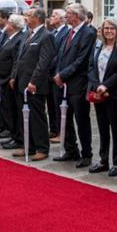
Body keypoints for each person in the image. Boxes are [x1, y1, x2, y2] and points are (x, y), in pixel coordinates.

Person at [53, 3, 98, 168]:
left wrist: (62, 75)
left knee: (81, 120)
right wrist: (58, 73)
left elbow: (82, 60)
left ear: (77, 16)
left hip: (78, 84)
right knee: (64, 119)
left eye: (69, 13)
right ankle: (71, 150)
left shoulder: (88, 33)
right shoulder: (69, 32)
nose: (66, 16)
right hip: (63, 83)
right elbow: (61, 55)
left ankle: (86, 154)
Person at [9, 7, 56, 161]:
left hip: (35, 85)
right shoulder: (27, 34)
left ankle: (42, 148)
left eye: (28, 15)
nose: (25, 18)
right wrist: (14, 76)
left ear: (37, 18)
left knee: (37, 117)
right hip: (21, 82)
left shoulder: (46, 36)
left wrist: (33, 81)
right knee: (24, 116)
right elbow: (19, 58)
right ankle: (28, 145)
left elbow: (43, 62)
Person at [87, 18, 117, 176]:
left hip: (114, 95)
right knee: (102, 128)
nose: (109, 31)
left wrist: (106, 85)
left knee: (116, 129)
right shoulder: (98, 46)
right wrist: (97, 85)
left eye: (112, 28)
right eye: (106, 28)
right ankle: (103, 160)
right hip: (99, 94)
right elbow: (91, 67)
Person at [0, 10, 22, 143]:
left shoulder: (18, 38)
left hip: (7, 78)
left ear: (12, 25)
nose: (6, 25)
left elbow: (15, 61)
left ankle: (13, 132)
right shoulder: (6, 36)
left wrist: (11, 77)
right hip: (0, 77)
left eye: (8, 23)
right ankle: (7, 129)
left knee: (10, 107)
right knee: (3, 105)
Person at [46, 8, 68, 141]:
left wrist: (48, 64)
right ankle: (54, 129)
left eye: (54, 15)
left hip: (56, 72)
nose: (51, 17)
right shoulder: (53, 32)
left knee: (58, 104)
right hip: (49, 74)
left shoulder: (65, 32)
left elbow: (59, 54)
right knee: (51, 104)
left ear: (61, 18)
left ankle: (61, 132)